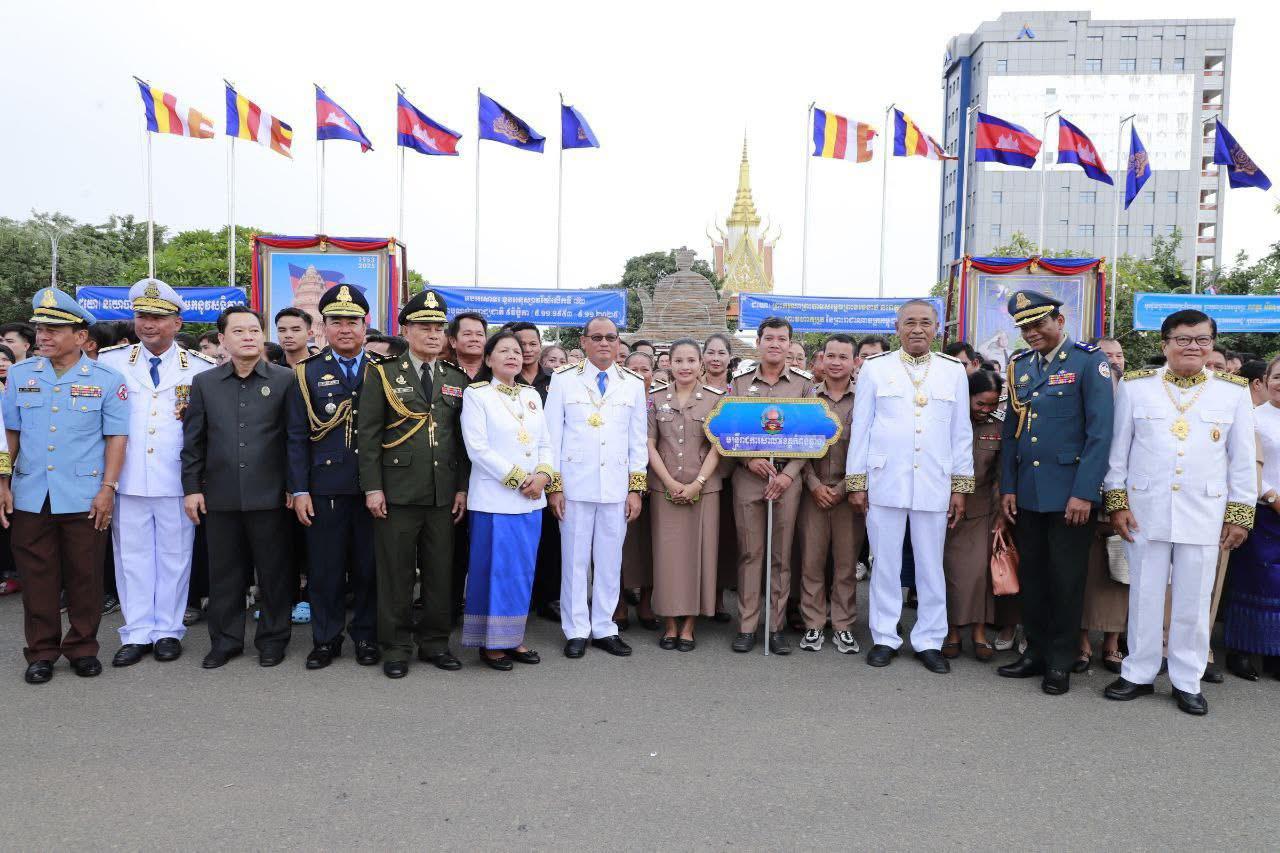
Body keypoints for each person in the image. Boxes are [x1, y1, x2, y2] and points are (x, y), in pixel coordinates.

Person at [1104, 310, 1255, 716]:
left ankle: (1187, 679)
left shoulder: (1233, 391)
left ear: (1212, 344)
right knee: (1145, 594)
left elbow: (1242, 460)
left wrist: (1239, 514)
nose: (1193, 347)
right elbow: (1118, 452)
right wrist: (1117, 502)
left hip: (1205, 510)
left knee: (1193, 599)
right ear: (1165, 343)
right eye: (1183, 339)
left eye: (1202, 340)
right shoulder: (1136, 387)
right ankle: (1138, 672)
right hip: (1145, 508)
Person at [3, 288, 128, 684]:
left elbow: (116, 437)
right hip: (31, 493)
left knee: (85, 575)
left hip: (84, 494)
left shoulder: (107, 379)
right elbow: (9, 433)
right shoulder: (21, 375)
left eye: (54, 330)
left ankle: (82, 648)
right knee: (37, 578)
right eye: (40, 329)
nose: (43, 336)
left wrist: (108, 488)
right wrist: (3, 480)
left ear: (81, 336)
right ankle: (41, 652)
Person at [996, 290, 1114, 696]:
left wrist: (1085, 492)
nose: (1032, 333)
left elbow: (1100, 434)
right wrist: (1008, 486)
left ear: (1059, 321)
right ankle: (1035, 652)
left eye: (1039, 324)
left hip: (1070, 495)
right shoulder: (1020, 366)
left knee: (1066, 579)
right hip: (1028, 491)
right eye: (1025, 327)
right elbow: (1011, 434)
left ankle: (1060, 661)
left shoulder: (1089, 362)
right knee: (1033, 575)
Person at [846, 301, 973, 673]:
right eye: (910, 322)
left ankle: (929, 640)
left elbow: (961, 432)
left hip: (935, 480)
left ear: (937, 328)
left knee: (931, 565)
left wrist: (960, 486)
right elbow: (862, 427)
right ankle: (885, 637)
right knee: (884, 563)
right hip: (885, 479)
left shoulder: (953, 371)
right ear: (897, 327)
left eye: (925, 323)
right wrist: (857, 481)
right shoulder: (875, 368)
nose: (918, 329)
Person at [97, 279, 215, 667]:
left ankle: (167, 630)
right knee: (130, 559)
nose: (149, 324)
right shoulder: (111, 363)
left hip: (176, 479)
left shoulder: (199, 368)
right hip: (128, 477)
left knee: (175, 558)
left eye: (159, 317)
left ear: (177, 323)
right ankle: (136, 632)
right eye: (142, 316)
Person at [357, 289, 470, 679]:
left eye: (439, 327)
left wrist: (461, 487)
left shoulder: (456, 377)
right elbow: (368, 435)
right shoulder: (383, 373)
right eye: (424, 327)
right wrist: (373, 488)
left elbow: (462, 440)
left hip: (443, 493)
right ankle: (396, 646)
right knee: (396, 574)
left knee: (440, 574)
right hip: (397, 491)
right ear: (406, 330)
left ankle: (436, 643)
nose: (433, 334)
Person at [181, 306, 295, 668]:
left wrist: (295, 487)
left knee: (274, 574)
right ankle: (225, 641)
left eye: (254, 330)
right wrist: (191, 488)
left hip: (271, 495)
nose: (248, 337)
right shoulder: (205, 383)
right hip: (220, 495)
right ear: (222, 340)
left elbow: (294, 439)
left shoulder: (285, 380)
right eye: (239, 331)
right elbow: (194, 442)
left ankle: (273, 639)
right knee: (225, 575)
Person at [285, 285, 380, 671]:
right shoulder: (306, 372)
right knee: (325, 570)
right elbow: (295, 437)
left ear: (365, 325)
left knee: (369, 569)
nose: (345, 328)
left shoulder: (383, 370)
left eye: (352, 321)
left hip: (373, 488)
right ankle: (326, 639)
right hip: (324, 489)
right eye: (336, 321)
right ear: (322, 327)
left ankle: (367, 636)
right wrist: (299, 489)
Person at [544, 315, 648, 659]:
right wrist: (555, 487)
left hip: (615, 486)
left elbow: (637, 441)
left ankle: (604, 627)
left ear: (619, 343)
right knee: (574, 562)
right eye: (598, 337)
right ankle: (576, 629)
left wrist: (635, 488)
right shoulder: (563, 379)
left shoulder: (632, 383)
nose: (605, 343)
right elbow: (551, 437)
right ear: (584, 342)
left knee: (609, 561)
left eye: (611, 337)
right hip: (574, 485)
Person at [459, 330, 553, 670]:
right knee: (493, 571)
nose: (513, 356)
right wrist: (520, 479)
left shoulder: (531, 395)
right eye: (503, 351)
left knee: (520, 572)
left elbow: (545, 443)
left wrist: (542, 476)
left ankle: (513, 637)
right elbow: (478, 448)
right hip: (494, 500)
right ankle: (490, 642)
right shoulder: (477, 395)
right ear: (489, 359)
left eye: (516, 351)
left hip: (530, 501)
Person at [728, 317, 813, 654]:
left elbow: (812, 436)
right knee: (750, 553)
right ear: (759, 342)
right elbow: (728, 430)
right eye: (769, 338)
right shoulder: (740, 382)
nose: (775, 344)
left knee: (781, 555)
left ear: (789, 344)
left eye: (782, 339)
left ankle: (775, 627)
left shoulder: (804, 385)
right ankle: (747, 625)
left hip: (787, 478)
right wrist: (748, 459)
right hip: (749, 476)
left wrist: (789, 474)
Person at [646, 339, 723, 650]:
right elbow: (649, 444)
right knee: (667, 558)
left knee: (700, 556)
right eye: (679, 360)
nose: (685, 366)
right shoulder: (655, 398)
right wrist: (667, 481)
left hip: (704, 490)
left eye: (691, 360)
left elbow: (719, 445)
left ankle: (689, 625)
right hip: (664, 489)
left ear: (701, 363)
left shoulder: (716, 399)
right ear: (669, 363)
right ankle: (669, 623)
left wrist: (697, 483)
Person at [798, 334, 864, 655]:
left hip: (849, 494)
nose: (836, 362)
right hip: (812, 491)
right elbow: (796, 445)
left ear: (855, 362)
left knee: (845, 564)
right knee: (811, 562)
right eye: (831, 356)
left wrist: (842, 488)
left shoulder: (865, 399)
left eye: (843, 357)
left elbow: (868, 448)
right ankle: (813, 624)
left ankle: (843, 625)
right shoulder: (808, 397)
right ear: (821, 360)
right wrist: (813, 485)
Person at [1222, 356, 1280, 682]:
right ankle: (1241, 650)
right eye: (1278, 376)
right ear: (1265, 380)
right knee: (1255, 582)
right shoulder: (1253, 417)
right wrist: (1271, 497)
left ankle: (1275, 654)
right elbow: (1246, 465)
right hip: (1263, 511)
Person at [942, 369, 1003, 661]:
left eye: (992, 404)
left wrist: (1000, 513)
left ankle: (979, 632)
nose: (985, 410)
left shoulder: (998, 427)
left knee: (980, 574)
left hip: (982, 510)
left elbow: (1001, 474)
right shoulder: (947, 421)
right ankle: (952, 632)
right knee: (950, 572)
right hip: (945, 508)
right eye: (980, 403)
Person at [618, 351, 658, 630]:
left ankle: (646, 603)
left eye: (645, 369)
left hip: (656, 482)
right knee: (619, 547)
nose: (640, 374)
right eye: (634, 369)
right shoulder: (616, 398)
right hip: (620, 483)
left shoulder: (660, 401)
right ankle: (618, 603)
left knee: (651, 547)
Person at [701, 332, 736, 623]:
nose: (715, 358)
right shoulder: (692, 387)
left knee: (724, 538)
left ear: (729, 357)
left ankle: (717, 597)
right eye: (710, 352)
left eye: (721, 353)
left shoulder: (739, 390)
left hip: (733, 473)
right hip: (697, 475)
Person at [447, 311, 487, 380]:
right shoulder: (440, 374)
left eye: (479, 334)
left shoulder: (497, 373)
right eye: (467, 334)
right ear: (453, 341)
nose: (474, 339)